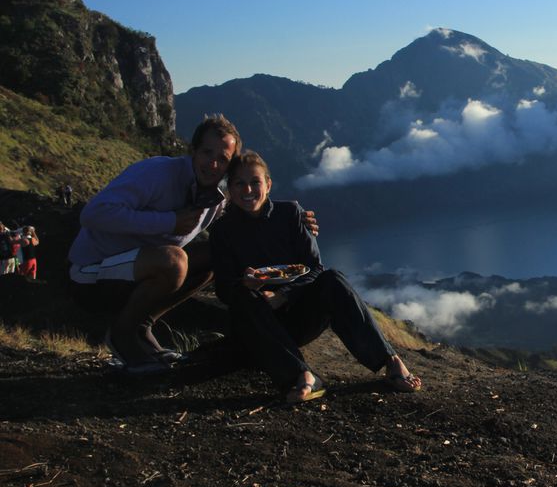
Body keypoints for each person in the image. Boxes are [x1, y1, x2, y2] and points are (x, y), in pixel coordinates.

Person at [68, 115, 318, 374]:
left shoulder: (217, 197)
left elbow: (251, 211)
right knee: (174, 262)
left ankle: (141, 327)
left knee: (217, 254)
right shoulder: (157, 173)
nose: (213, 164)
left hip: (137, 270)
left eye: (223, 159)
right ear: (193, 151)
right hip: (91, 273)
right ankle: (122, 335)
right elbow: (93, 213)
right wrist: (168, 222)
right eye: (207, 153)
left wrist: (294, 220)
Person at [211, 151, 421, 403]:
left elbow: (315, 268)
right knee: (244, 298)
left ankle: (389, 359)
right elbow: (223, 287)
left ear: (268, 184)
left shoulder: (290, 214)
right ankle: (303, 376)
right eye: (239, 183)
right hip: (256, 322)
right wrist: (245, 284)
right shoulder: (223, 230)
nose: (248, 189)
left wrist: (283, 296)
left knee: (333, 279)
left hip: (297, 316)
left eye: (255, 182)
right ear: (230, 189)